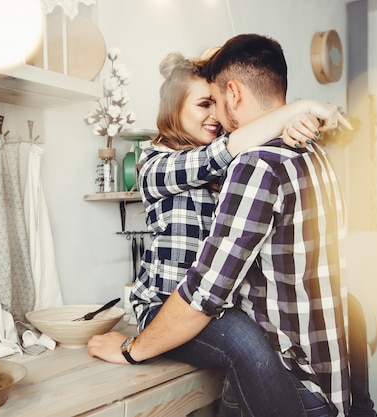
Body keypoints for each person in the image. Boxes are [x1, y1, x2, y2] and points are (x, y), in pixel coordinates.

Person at [89, 47, 349, 417]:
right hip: (166, 307)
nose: (215, 115)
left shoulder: (235, 162)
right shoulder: (154, 164)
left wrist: (291, 124)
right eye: (203, 104)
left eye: (217, 103)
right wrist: (292, 110)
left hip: (210, 307)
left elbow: (241, 129)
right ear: (173, 108)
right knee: (246, 343)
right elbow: (222, 152)